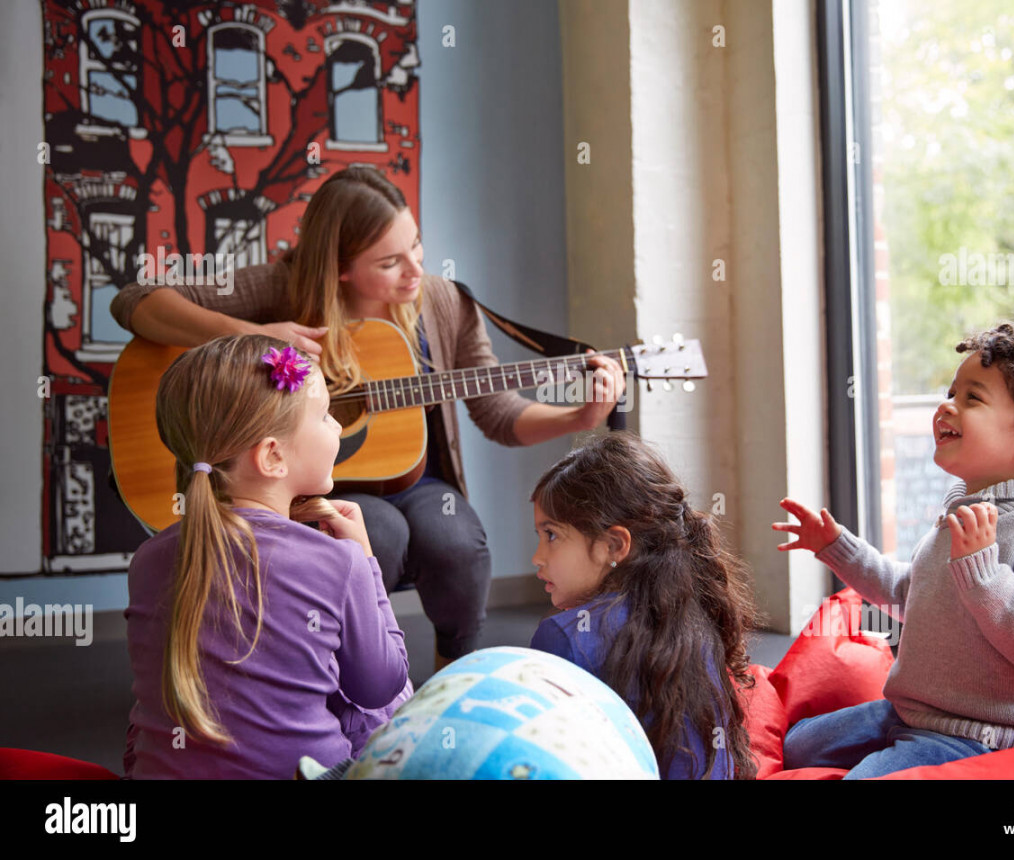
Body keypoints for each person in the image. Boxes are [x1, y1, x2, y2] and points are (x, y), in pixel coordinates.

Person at [111, 166, 626, 670]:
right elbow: (133, 302)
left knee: (456, 542)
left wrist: (579, 416)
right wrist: (252, 333)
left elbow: (497, 413)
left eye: (417, 246)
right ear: (340, 267)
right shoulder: (283, 288)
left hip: (419, 481)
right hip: (319, 485)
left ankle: (451, 679)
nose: (416, 270)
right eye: (389, 262)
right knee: (377, 531)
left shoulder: (443, 304)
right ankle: (343, 678)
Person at [774, 321, 1014, 779]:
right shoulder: (963, 513)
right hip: (914, 711)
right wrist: (836, 547)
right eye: (951, 392)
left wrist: (984, 575)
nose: (946, 406)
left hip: (987, 734)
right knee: (798, 746)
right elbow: (908, 594)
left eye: (973, 398)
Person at [124, 334, 410, 779]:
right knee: (395, 701)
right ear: (273, 456)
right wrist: (365, 561)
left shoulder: (147, 559)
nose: (337, 427)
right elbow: (380, 685)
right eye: (325, 415)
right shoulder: (338, 561)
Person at [526, 432, 761, 779]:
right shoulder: (694, 615)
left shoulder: (563, 638)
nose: (537, 558)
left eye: (552, 536)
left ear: (614, 545)